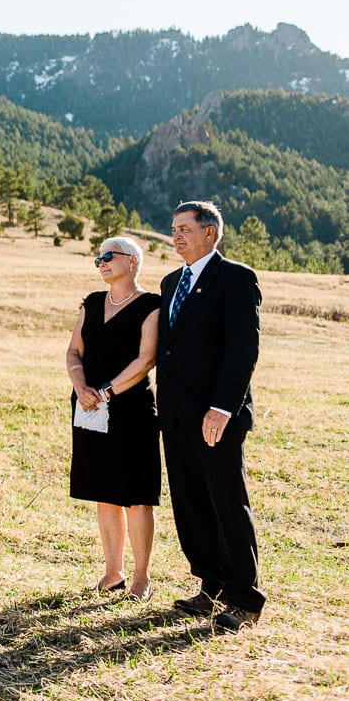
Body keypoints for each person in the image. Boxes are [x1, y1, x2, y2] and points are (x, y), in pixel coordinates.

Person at [157, 200, 264, 632]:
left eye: (185, 228)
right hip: (176, 415)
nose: (176, 235)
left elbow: (243, 350)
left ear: (210, 233)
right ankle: (211, 586)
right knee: (189, 503)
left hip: (216, 415)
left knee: (226, 502)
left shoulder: (236, 279)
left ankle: (245, 599)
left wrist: (222, 408)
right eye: (173, 228)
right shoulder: (169, 282)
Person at [65, 236, 160, 601]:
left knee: (136, 494)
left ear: (133, 261)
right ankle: (112, 572)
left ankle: (141, 578)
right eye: (97, 258)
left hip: (131, 409)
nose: (101, 262)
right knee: (103, 491)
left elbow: (146, 359)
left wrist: (105, 391)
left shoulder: (151, 304)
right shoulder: (90, 302)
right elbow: (74, 351)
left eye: (108, 256)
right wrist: (82, 386)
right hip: (89, 407)